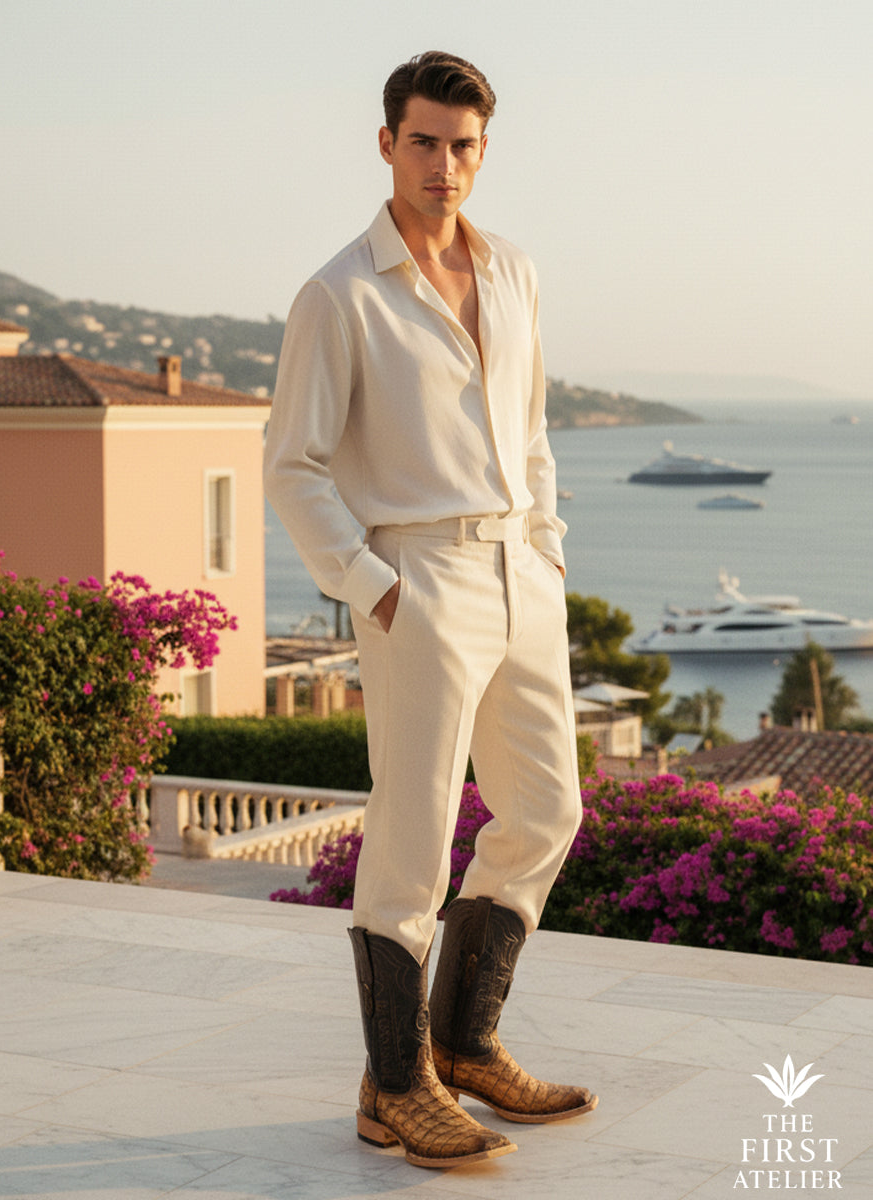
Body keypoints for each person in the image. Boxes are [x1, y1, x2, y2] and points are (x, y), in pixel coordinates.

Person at [264, 50, 597, 1169]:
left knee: (546, 811)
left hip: (521, 578)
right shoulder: (340, 292)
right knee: (409, 840)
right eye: (423, 141)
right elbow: (294, 464)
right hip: (419, 581)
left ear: (482, 151)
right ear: (386, 143)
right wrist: (375, 584)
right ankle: (393, 1085)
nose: (443, 164)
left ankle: (462, 1043)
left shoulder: (514, 273)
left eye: (462, 145)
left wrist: (545, 553)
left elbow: (536, 434)